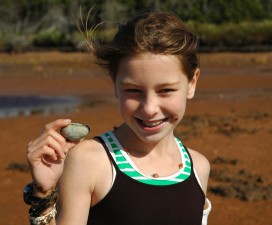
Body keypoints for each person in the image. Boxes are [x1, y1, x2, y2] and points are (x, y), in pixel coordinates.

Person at [24, 11, 212, 225]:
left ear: (192, 83)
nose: (149, 109)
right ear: (115, 84)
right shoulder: (89, 161)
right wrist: (43, 193)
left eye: (166, 90)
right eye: (133, 90)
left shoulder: (198, 167)